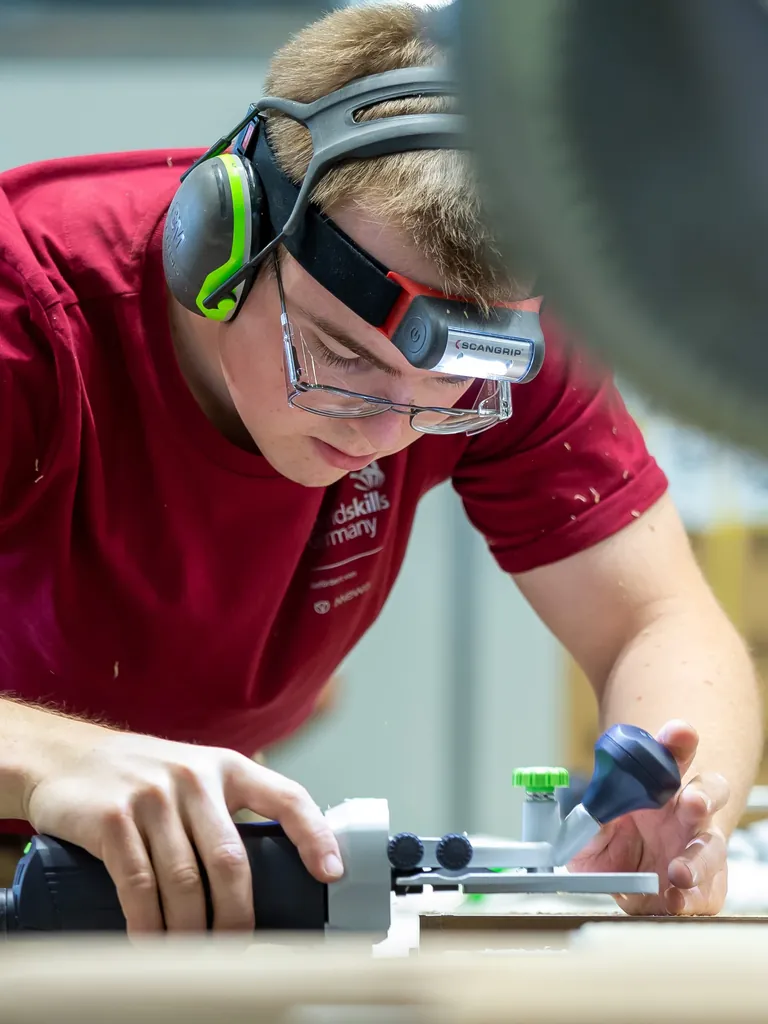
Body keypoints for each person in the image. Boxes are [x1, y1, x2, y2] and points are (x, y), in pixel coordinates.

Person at [0, 2, 761, 933]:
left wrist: (680, 806)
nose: (384, 433)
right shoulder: (25, 317)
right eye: (341, 359)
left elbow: (659, 619)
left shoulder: (490, 340)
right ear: (220, 240)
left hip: (170, 868)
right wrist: (49, 757)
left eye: (442, 395)